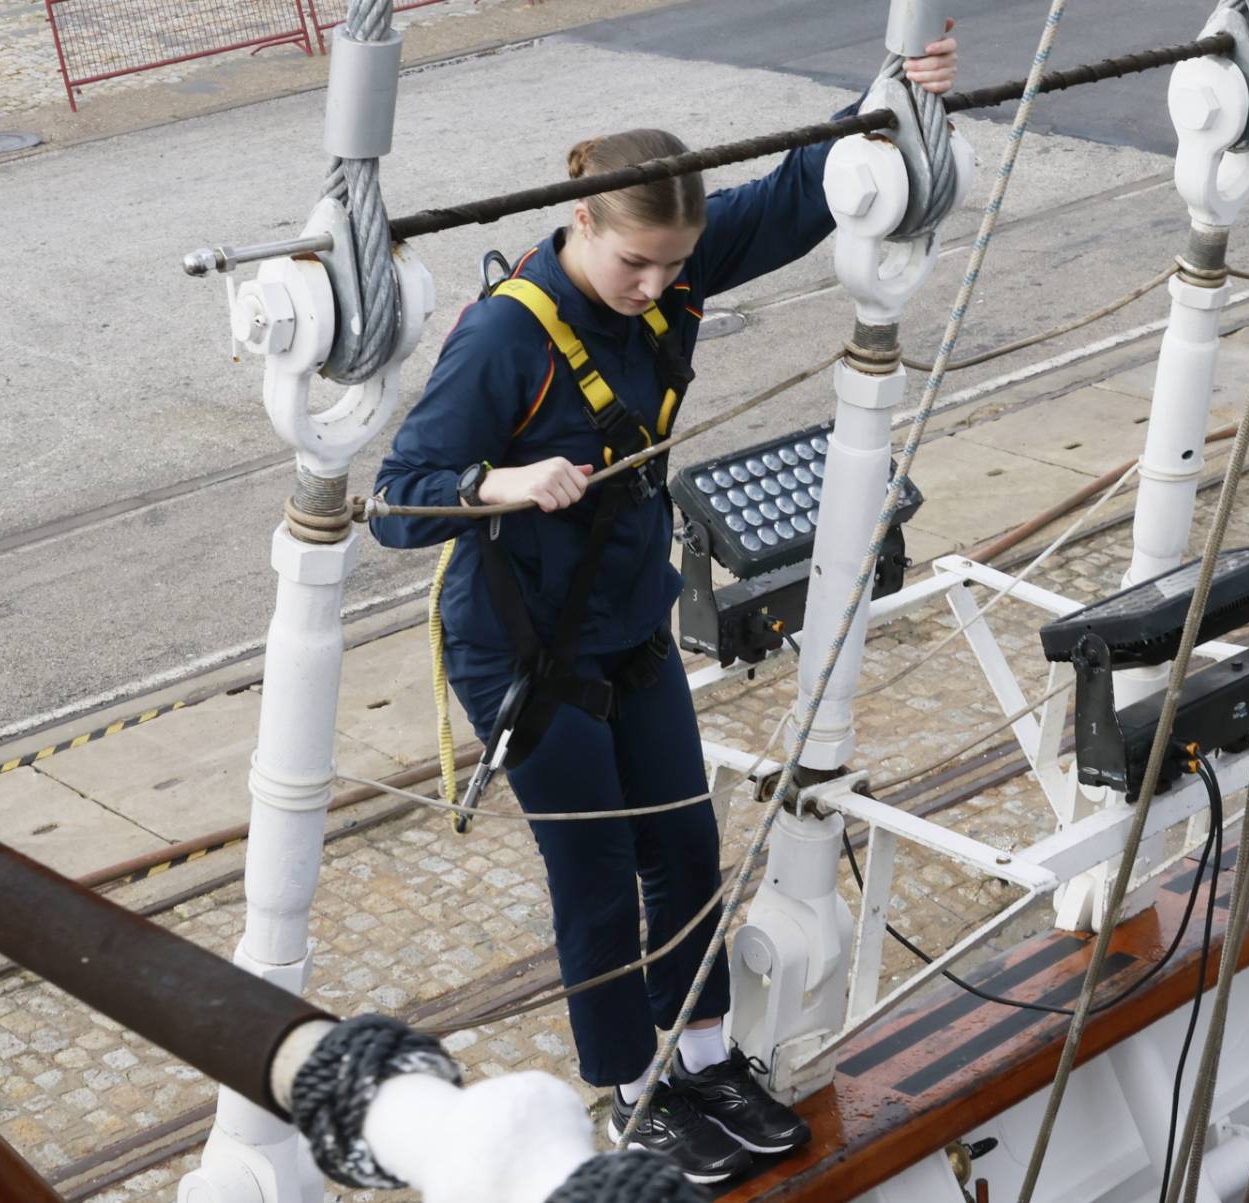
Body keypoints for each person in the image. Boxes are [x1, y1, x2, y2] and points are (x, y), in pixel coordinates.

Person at [369, 28, 959, 1184]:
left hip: (629, 627)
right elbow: (395, 501)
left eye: (670, 269)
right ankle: (634, 1089)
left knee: (685, 850)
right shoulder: (507, 339)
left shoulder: (673, 265)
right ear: (582, 221)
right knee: (594, 880)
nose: (655, 289)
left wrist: (886, 93)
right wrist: (499, 483)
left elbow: (798, 196)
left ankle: (701, 1057)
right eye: (635, 266)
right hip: (524, 655)